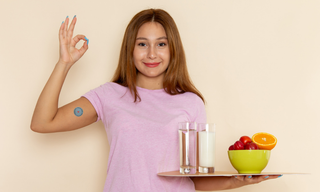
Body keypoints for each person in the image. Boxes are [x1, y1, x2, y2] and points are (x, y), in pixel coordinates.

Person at [31, 9, 280, 192]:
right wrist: (64, 64)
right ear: (130, 48)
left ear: (173, 49)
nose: (152, 54)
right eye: (142, 44)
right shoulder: (108, 96)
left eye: (161, 44)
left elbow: (195, 176)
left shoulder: (191, 103)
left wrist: (237, 180)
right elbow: (43, 122)